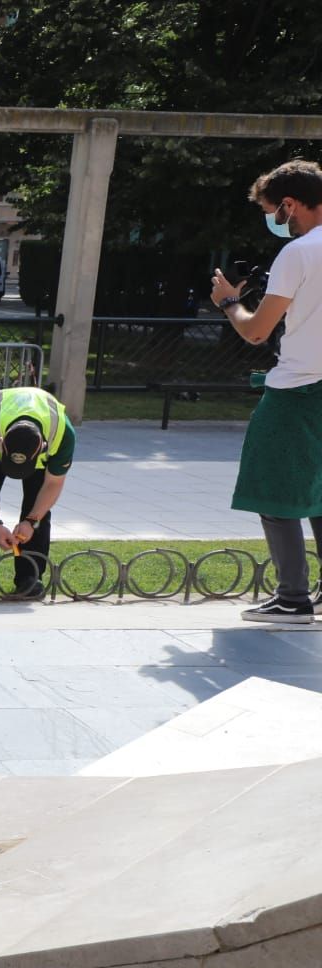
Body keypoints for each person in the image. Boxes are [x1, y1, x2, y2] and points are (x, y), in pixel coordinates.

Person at [213, 159, 322, 624]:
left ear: (290, 204)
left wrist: (230, 303)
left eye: (273, 211)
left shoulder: (299, 253)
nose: (274, 220)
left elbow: (258, 331)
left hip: (298, 386)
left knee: (272, 487)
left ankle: (292, 597)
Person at [0, 386, 76, 599]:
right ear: (2, 444)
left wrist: (31, 521)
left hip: (42, 449)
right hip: (1, 432)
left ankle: (29, 577)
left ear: (43, 447)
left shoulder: (63, 433)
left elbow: (53, 484)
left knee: (38, 507)